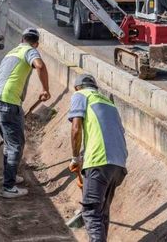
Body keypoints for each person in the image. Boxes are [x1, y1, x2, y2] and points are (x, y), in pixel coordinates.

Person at [0, 27, 50, 198]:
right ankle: (9, 187)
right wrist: (45, 89)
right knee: (16, 144)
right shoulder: (29, 51)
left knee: (9, 143)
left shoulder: (12, 52)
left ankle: (10, 176)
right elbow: (40, 65)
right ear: (36, 43)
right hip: (8, 101)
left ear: (21, 39)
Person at [68, 74, 128, 242]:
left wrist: (74, 157)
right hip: (118, 163)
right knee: (102, 212)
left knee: (91, 213)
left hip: (98, 161)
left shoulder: (80, 95)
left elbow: (76, 128)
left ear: (77, 88)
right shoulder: (109, 103)